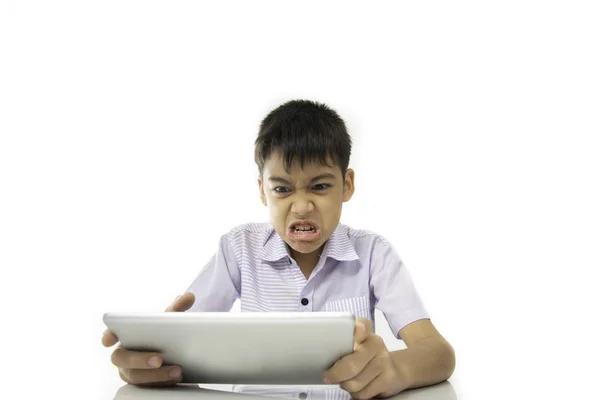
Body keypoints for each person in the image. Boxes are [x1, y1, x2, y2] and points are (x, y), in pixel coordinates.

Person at [102, 100, 456, 398]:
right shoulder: (239, 248)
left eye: (319, 186)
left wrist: (394, 369)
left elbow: (438, 353)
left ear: (346, 186)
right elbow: (183, 343)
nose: (301, 206)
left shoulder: (374, 254)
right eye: (283, 190)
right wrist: (162, 355)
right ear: (262, 191)